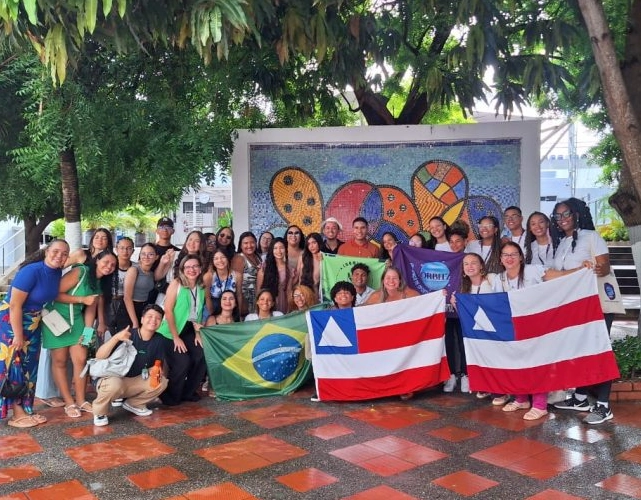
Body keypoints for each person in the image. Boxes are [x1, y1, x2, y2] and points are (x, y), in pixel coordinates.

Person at [551, 197, 616, 424]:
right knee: (582, 350)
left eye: (566, 214)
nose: (562, 219)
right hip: (576, 308)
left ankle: (604, 405)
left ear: (577, 214)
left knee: (600, 350)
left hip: (597, 305)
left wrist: (596, 268)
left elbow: (604, 265)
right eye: (558, 216)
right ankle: (579, 398)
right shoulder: (562, 243)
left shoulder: (591, 237)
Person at [0, 240, 69, 428]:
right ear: (46, 251)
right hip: (13, 321)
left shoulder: (56, 272)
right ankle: (17, 414)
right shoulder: (31, 271)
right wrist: (18, 335)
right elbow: (14, 305)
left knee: (30, 366)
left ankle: (27, 408)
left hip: (34, 322)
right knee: (15, 365)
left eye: (64, 254)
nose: (59, 256)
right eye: (55, 251)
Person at [42, 250, 117, 418]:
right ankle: (69, 402)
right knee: (60, 361)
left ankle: (81, 400)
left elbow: (91, 308)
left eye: (113, 265)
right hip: (56, 319)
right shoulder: (81, 271)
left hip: (76, 320)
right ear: (97, 260)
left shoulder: (99, 283)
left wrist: (88, 331)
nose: (109, 266)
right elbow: (54, 294)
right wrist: (81, 300)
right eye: (106, 262)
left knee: (81, 359)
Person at [91, 305, 169, 426]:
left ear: (161, 323)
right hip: (112, 379)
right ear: (142, 319)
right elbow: (100, 356)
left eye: (158, 318)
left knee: (161, 381)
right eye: (150, 316)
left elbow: (158, 364)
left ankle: (134, 404)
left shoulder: (160, 340)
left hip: (133, 382)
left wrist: (155, 370)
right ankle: (100, 412)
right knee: (115, 384)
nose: (153, 320)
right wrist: (116, 338)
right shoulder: (128, 335)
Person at [157, 254, 210, 406]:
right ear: (182, 269)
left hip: (189, 329)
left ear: (200, 269)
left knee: (201, 355)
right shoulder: (176, 284)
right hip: (169, 332)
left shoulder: (201, 287)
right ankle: (171, 396)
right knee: (182, 361)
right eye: (188, 267)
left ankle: (188, 392)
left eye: (195, 266)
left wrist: (198, 334)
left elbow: (197, 313)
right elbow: (168, 310)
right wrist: (175, 337)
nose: (191, 269)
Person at [451, 253, 498, 399]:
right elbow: (466, 318)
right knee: (480, 357)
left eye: (473, 263)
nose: (470, 266)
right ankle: (484, 385)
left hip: (495, 328)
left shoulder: (492, 279)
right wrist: (455, 304)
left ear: (481, 266)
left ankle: (499, 389)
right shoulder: (464, 289)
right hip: (478, 331)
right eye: (466, 264)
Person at [122, 243, 158, 329]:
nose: (146, 257)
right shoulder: (134, 270)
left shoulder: (151, 273)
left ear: (156, 257)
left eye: (151, 254)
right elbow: (127, 298)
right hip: (130, 309)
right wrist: (135, 322)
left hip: (144, 309)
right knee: (126, 340)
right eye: (143, 254)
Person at [257, 237, 297, 314]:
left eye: (281, 248)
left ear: (286, 249)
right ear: (272, 250)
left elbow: (289, 291)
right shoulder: (264, 267)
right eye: (275, 248)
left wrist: (289, 309)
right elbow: (259, 290)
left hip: (283, 302)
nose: (278, 251)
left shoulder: (289, 269)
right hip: (266, 303)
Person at [231, 231, 262, 318]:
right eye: (245, 243)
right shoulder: (239, 258)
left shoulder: (258, 257)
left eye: (252, 242)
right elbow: (236, 285)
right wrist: (240, 304)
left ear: (256, 243)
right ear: (241, 245)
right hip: (245, 301)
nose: (249, 246)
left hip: (257, 299)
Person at [108, 237, 135, 333]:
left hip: (126, 305)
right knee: (103, 334)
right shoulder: (109, 266)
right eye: (122, 248)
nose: (125, 251)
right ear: (116, 249)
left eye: (129, 248)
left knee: (124, 336)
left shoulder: (136, 268)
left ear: (133, 250)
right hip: (107, 304)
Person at [203, 249, 239, 316]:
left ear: (228, 259)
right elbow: (207, 297)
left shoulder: (237, 275)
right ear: (213, 261)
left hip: (230, 306)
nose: (220, 260)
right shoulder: (208, 276)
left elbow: (239, 295)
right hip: (212, 306)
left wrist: (239, 313)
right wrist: (212, 315)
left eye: (223, 257)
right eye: (216, 258)